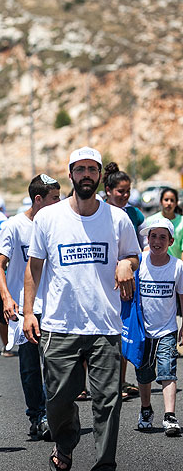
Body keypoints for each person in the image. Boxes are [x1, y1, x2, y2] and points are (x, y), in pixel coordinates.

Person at [23, 147, 140, 471]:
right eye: (80, 169)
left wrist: (126, 263)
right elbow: (33, 269)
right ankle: (66, 439)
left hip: (104, 325)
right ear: (71, 173)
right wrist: (29, 312)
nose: (86, 174)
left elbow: (132, 255)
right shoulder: (49, 218)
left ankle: (104, 463)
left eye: (92, 169)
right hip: (60, 324)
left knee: (107, 402)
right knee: (58, 401)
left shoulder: (117, 218)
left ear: (99, 175)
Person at [0, 174, 61, 441]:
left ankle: (55, 413)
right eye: (55, 198)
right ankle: (37, 415)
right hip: (25, 309)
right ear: (38, 199)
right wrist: (7, 298)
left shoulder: (58, 223)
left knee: (56, 365)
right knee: (30, 367)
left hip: (53, 306)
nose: (60, 202)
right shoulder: (15, 225)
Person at [134, 219, 183, 436]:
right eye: (153, 236)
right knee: (144, 372)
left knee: (167, 371)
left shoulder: (178, 266)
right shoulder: (140, 262)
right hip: (142, 331)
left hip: (167, 329)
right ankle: (146, 409)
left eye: (163, 237)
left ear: (171, 241)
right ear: (147, 238)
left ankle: (169, 416)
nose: (157, 241)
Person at [103, 162, 143, 399]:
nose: (125, 195)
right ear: (108, 190)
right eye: (120, 191)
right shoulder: (98, 211)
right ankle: (87, 384)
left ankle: (119, 381)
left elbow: (142, 248)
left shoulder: (134, 214)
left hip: (128, 279)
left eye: (128, 191)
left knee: (123, 330)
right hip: (103, 279)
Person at [144, 188, 183, 259]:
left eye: (172, 200)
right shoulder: (150, 221)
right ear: (160, 202)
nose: (169, 203)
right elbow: (146, 246)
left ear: (176, 203)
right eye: (166, 200)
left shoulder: (182, 222)